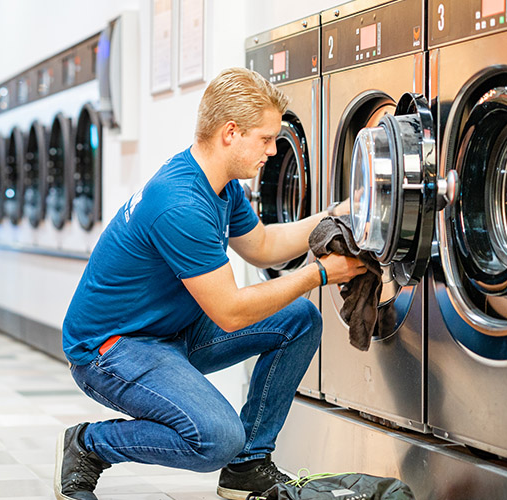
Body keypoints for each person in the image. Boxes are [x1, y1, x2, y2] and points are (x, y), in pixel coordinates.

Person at [56, 67, 366, 500]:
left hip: (171, 330)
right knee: (216, 438)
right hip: (112, 349)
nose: (274, 151)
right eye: (265, 139)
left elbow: (262, 244)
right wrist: (319, 274)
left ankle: (249, 467)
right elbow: (231, 311)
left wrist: (341, 213)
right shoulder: (181, 203)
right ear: (230, 133)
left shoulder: (221, 187)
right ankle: (89, 445)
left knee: (298, 320)